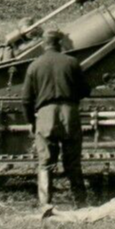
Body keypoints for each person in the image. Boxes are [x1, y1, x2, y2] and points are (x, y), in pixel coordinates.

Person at [21, 28, 92, 212]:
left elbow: (26, 100)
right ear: (59, 43)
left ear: (43, 44)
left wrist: (31, 121)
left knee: (45, 163)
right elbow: (86, 90)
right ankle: (81, 203)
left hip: (45, 115)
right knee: (73, 162)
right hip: (69, 113)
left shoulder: (34, 66)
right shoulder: (71, 62)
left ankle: (46, 204)